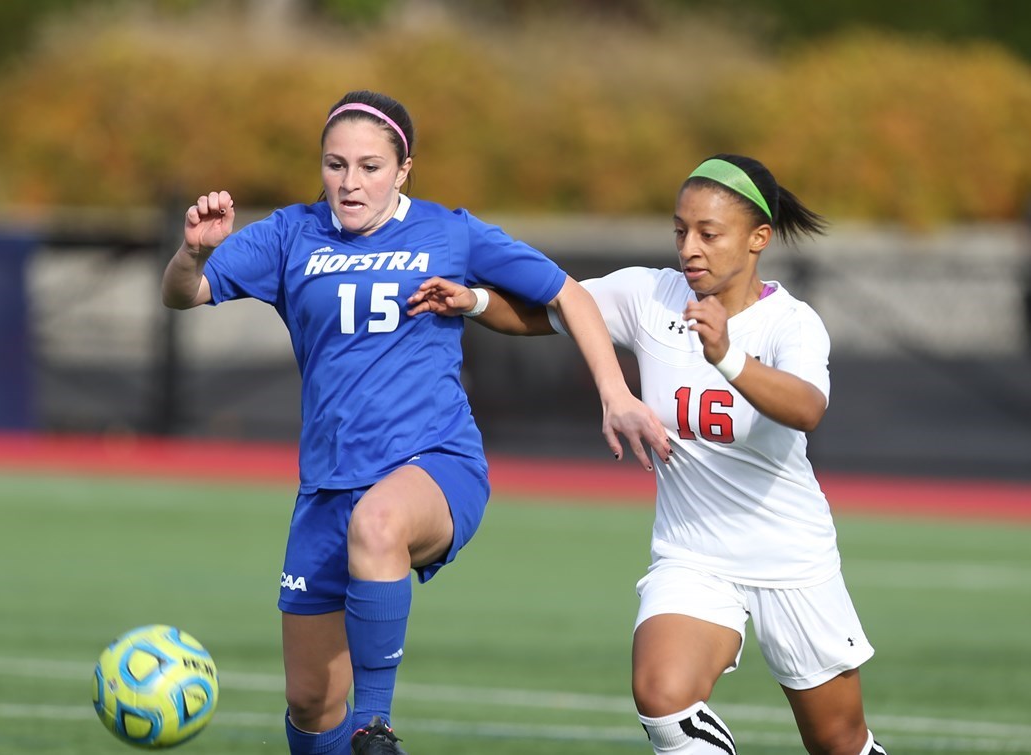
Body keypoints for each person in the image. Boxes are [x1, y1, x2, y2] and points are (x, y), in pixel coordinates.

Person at [160, 89, 669, 755]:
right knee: (311, 703)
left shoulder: (448, 231)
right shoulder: (291, 233)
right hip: (325, 489)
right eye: (335, 164)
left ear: (403, 170)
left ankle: (378, 728)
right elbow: (183, 294)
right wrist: (193, 254)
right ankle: (350, 731)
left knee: (379, 522)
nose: (350, 182)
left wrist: (615, 390)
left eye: (370, 166)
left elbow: (566, 292)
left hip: (434, 463)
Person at [407, 154, 888, 755]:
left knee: (839, 741)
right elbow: (556, 310)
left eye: (709, 234)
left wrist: (728, 356)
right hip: (693, 556)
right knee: (663, 695)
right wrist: (473, 302)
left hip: (790, 558)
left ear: (758, 238)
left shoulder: (790, 323)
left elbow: (807, 408)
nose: (691, 247)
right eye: (681, 230)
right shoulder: (649, 294)